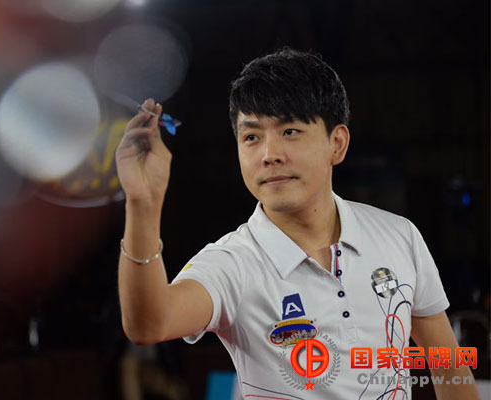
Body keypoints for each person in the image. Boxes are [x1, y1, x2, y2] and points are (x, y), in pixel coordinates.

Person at [115, 48, 479, 399]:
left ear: (337, 143)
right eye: (252, 137)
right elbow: (149, 325)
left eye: (289, 131)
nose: (269, 154)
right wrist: (142, 204)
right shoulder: (231, 264)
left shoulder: (399, 236)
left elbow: (448, 365)